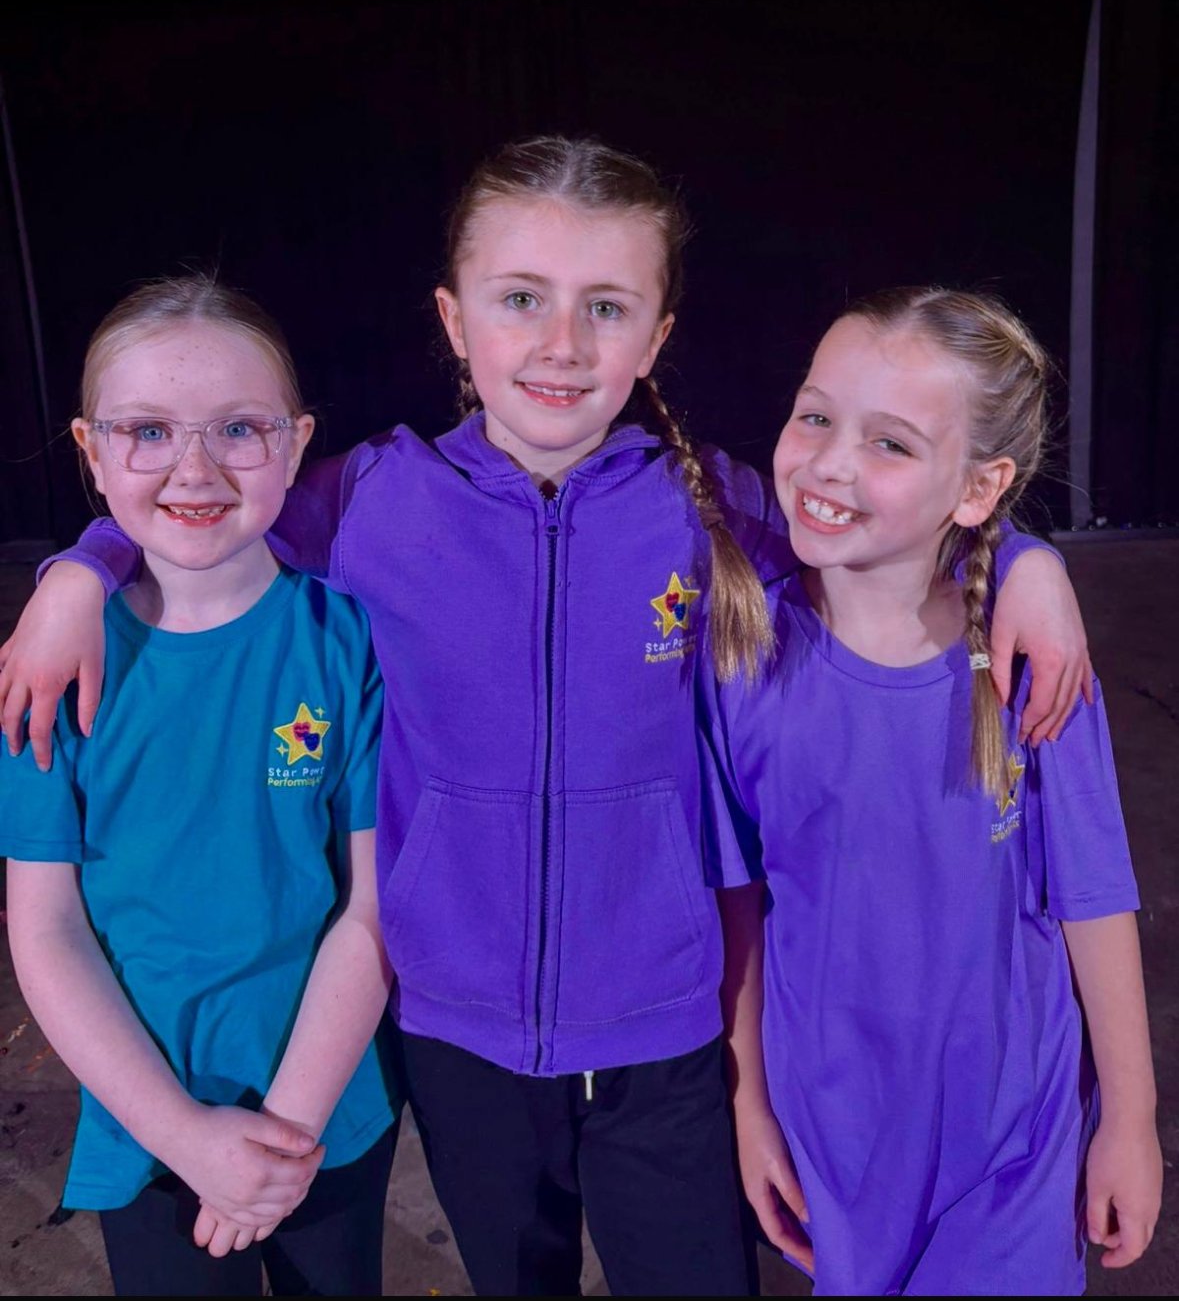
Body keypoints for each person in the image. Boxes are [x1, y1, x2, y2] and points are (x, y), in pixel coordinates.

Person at [0, 140, 1090, 1297]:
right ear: (455, 319)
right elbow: (208, 501)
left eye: (605, 306)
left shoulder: (710, 505)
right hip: (457, 1035)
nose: (561, 343)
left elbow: (882, 519)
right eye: (521, 299)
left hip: (668, 1030)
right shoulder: (369, 500)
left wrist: (1020, 556)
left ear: (657, 336)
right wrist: (82, 565)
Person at [709, 287, 1162, 1296]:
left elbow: (1092, 891)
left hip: (1011, 1133)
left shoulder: (1028, 661)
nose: (829, 461)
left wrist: (1130, 1112)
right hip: (839, 1128)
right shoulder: (745, 657)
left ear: (979, 485)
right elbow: (733, 898)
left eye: (891, 443)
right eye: (816, 414)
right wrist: (749, 1106)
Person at [0, 278, 398, 1298]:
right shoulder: (53, 672)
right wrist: (186, 1136)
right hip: (147, 1122)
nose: (196, 466)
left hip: (327, 1108)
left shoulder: (346, 640)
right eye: (147, 430)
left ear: (299, 441)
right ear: (90, 449)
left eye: (239, 428)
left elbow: (372, 907)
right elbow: (46, 929)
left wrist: (287, 1134)